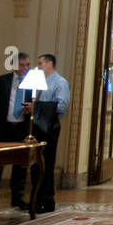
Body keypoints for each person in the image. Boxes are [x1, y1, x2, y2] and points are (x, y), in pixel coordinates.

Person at [0, 50, 33, 215]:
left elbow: (34, 104)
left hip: (21, 128)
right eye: (22, 65)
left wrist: (28, 111)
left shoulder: (31, 84)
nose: (25, 68)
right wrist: (2, 117)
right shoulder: (1, 81)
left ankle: (18, 197)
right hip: (3, 127)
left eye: (27, 65)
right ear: (15, 66)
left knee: (20, 165)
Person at [30, 53, 71, 213]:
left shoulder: (60, 83)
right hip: (37, 126)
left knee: (46, 164)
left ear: (50, 64)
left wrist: (38, 108)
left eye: (40, 63)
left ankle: (46, 199)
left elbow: (61, 107)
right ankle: (38, 198)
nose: (38, 66)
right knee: (36, 165)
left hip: (49, 127)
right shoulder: (39, 82)